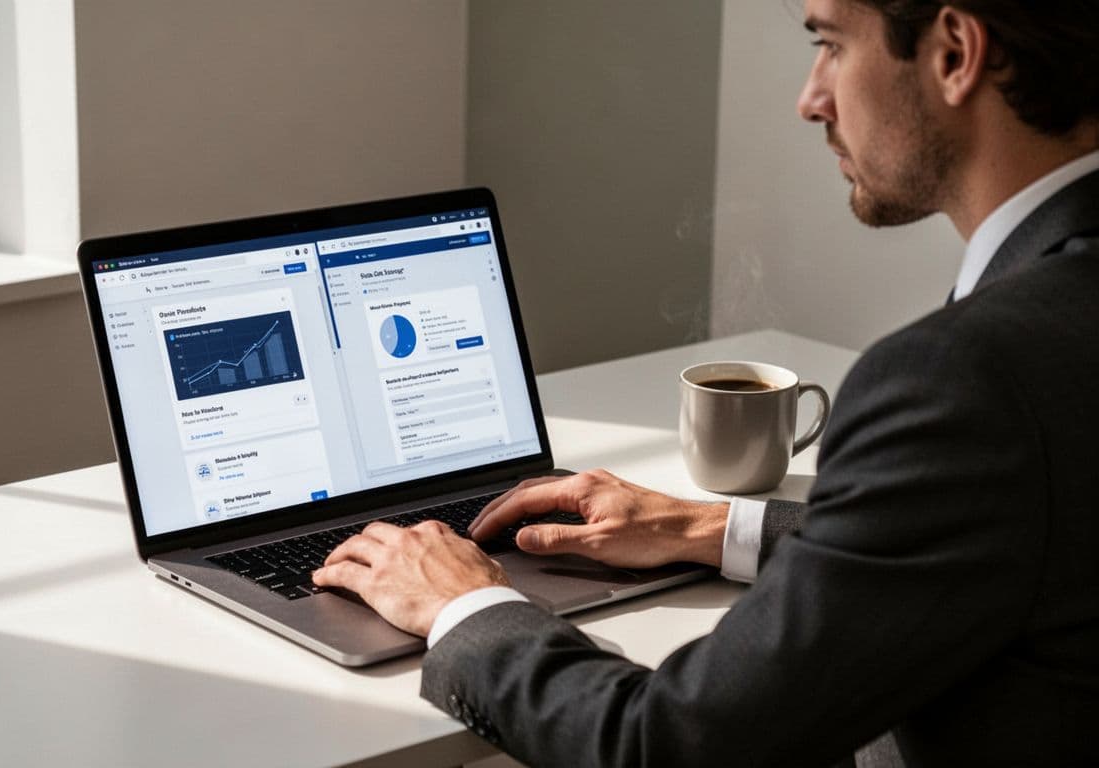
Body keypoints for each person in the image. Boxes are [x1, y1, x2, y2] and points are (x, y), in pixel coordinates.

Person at [314, 0, 1099, 765]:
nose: (810, 98)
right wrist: (711, 528)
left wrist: (464, 605)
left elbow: (666, 743)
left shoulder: (964, 377)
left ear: (956, 52)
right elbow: (1025, 525)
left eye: (830, 43)